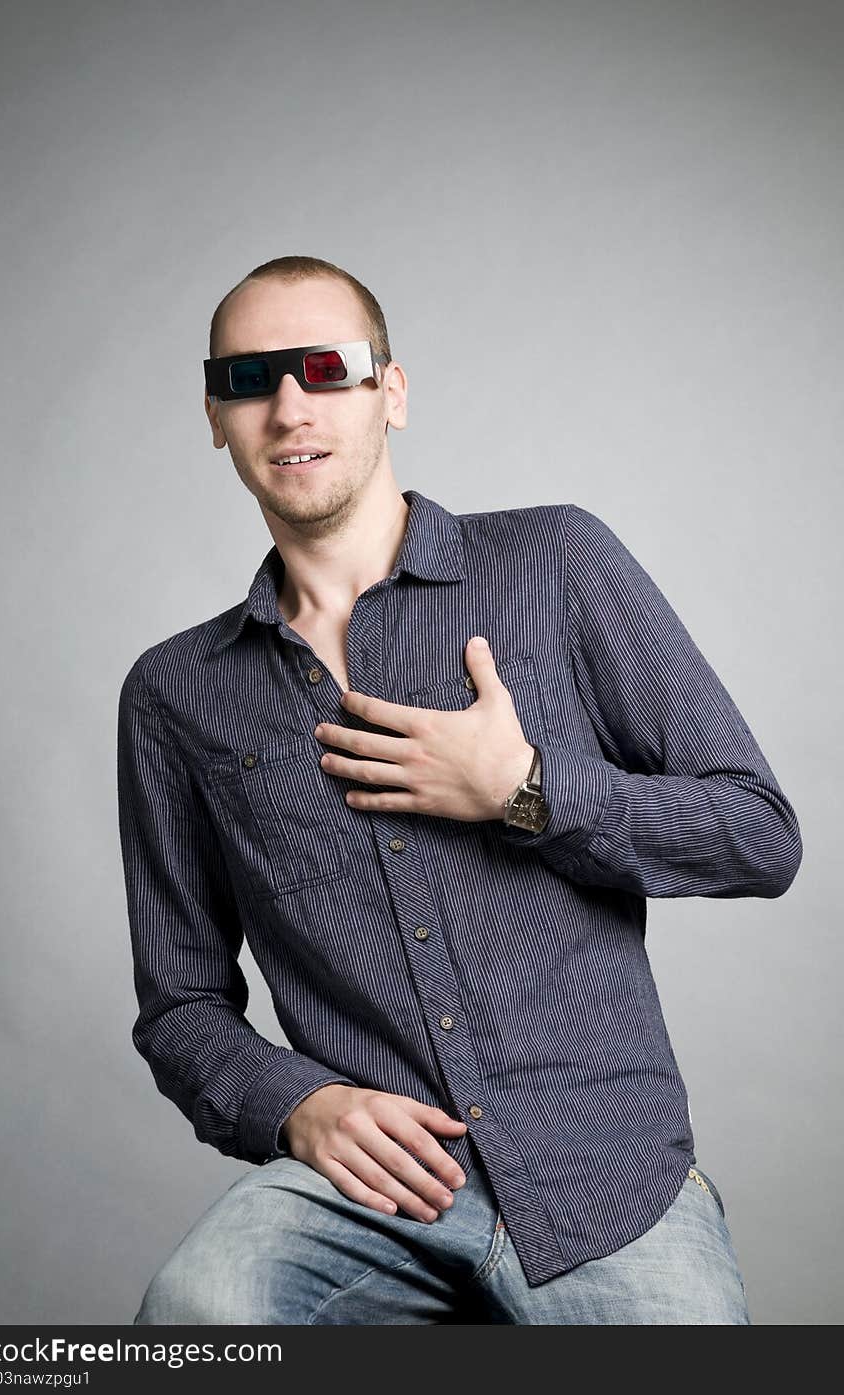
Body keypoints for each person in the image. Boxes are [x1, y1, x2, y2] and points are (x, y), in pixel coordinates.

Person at [116, 254, 802, 1325]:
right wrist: (299, 1107)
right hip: (365, 1194)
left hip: (599, 1176)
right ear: (215, 413)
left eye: (325, 367)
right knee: (198, 1308)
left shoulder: (554, 564)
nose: (289, 405)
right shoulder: (176, 693)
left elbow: (758, 834)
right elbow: (182, 1006)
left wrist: (522, 790)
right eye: (250, 378)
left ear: (390, 391)